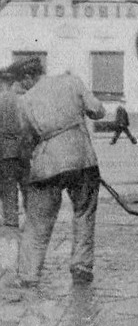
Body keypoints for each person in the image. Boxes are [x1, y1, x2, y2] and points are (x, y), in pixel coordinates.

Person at [10, 58, 106, 292]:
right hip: (82, 159)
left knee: (37, 221)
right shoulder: (72, 81)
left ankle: (28, 274)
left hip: (47, 164)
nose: (20, 86)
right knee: (84, 212)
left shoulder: (25, 101)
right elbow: (98, 111)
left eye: (21, 81)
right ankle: (81, 266)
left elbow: (26, 137)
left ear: (28, 77)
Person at [0, 65, 28, 229]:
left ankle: (11, 219)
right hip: (24, 149)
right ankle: (32, 219)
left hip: (5, 151)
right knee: (26, 185)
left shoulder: (1, 100)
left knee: (8, 186)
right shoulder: (22, 99)